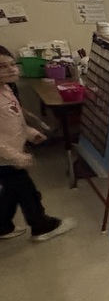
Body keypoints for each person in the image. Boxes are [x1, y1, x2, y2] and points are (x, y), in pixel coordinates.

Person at [0, 45, 76, 242]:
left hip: (12, 152)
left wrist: (30, 133)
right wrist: (16, 157)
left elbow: (14, 120)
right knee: (27, 191)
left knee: (12, 190)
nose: (11, 70)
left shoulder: (6, 90)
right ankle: (41, 225)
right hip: (5, 157)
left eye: (12, 64)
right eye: (2, 67)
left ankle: (2, 225)